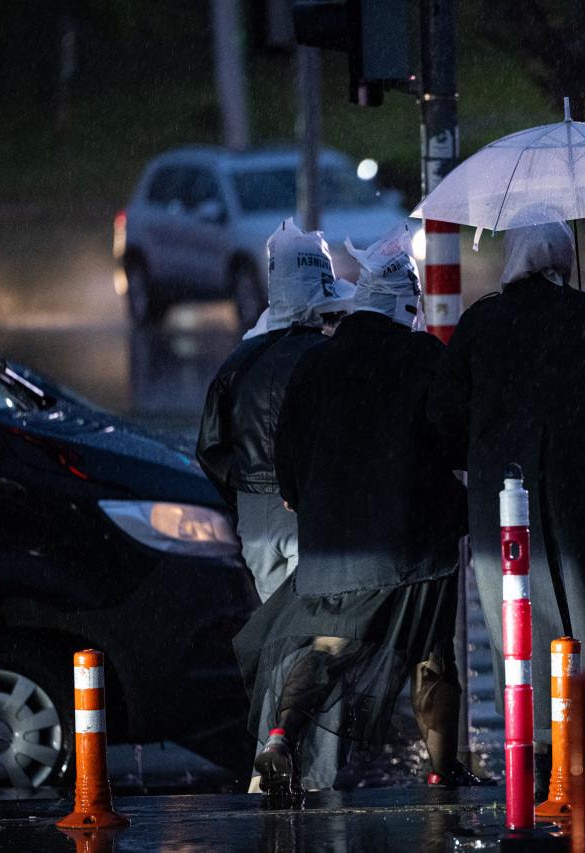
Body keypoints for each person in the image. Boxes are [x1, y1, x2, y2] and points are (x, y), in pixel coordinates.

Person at [233, 222, 484, 794]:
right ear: (405, 301)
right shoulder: (423, 357)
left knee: (328, 646)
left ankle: (280, 739)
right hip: (410, 545)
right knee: (430, 654)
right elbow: (451, 439)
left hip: (329, 545)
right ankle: (444, 766)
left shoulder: (316, 364)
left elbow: (288, 462)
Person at [427, 220, 585, 793]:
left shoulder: (482, 321)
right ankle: (584, 757)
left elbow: (444, 417)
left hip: (504, 504)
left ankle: (541, 760)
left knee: (521, 626)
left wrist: (482, 448)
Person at [197, 219, 354, 792]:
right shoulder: (331, 359)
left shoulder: (241, 362)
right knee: (324, 644)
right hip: (319, 514)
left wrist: (245, 500)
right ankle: (308, 773)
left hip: (258, 515)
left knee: (286, 640)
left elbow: (210, 447)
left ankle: (273, 761)